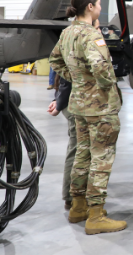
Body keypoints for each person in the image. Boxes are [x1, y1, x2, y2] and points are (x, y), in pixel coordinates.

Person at [48, 0, 126, 235]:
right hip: (99, 107)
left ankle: (78, 206)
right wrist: (105, 85)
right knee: (101, 158)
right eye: (99, 4)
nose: (101, 8)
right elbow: (102, 68)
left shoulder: (68, 32)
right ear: (90, 7)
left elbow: (55, 61)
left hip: (79, 104)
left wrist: (78, 79)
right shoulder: (92, 35)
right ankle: (96, 215)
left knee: (82, 154)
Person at [47, 74, 75, 211]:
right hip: (76, 103)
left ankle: (74, 196)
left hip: (71, 99)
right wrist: (59, 101)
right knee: (77, 151)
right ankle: (71, 197)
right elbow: (67, 78)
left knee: (77, 150)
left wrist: (58, 98)